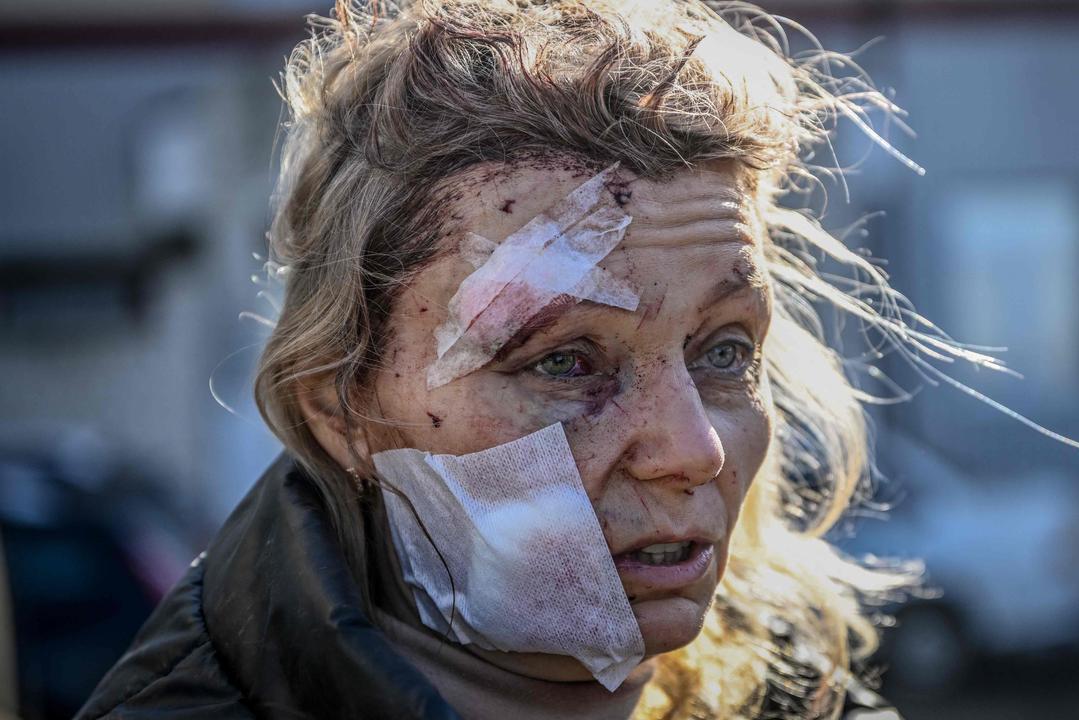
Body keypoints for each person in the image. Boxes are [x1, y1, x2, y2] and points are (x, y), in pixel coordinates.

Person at [76, 1, 986, 717]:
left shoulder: (793, 697)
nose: (694, 450)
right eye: (563, 363)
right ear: (340, 410)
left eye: (723, 350)